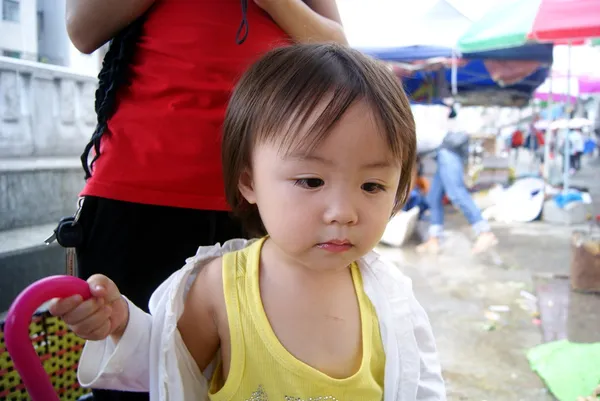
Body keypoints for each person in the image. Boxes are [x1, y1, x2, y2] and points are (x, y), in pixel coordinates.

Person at [50, 44, 446, 401]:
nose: (343, 211)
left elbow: (422, 386)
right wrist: (121, 324)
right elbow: (170, 369)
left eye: (372, 185)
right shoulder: (218, 287)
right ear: (249, 182)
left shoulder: (391, 300)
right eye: (311, 181)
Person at [64, 2, 346, 400]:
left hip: (268, 200)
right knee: (132, 382)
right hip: (135, 195)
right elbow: (81, 29)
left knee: (265, 379)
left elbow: (339, 50)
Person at [416, 111, 498, 255]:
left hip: (447, 148)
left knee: (456, 193)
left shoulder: (400, 137)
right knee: (433, 197)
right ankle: (434, 239)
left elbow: (410, 173)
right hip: (441, 152)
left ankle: (485, 233)